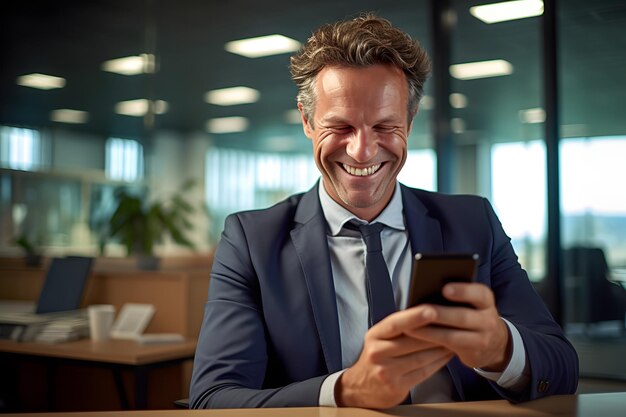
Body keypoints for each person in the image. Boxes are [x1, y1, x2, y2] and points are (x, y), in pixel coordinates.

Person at [189, 13, 578, 409]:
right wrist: (345, 391)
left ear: (409, 122)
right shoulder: (252, 241)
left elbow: (562, 368)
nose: (362, 151)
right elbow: (213, 399)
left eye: (384, 127)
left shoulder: (473, 223)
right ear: (307, 120)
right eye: (340, 127)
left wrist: (500, 347)